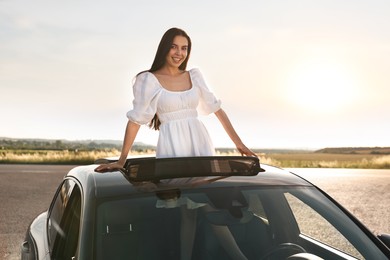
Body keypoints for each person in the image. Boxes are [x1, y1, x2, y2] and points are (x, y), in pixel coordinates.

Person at [95, 27, 256, 173]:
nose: (179, 53)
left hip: (199, 141)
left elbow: (217, 110)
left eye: (184, 48)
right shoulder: (148, 80)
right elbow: (135, 121)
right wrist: (122, 160)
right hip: (171, 144)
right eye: (174, 47)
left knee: (204, 191)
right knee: (175, 194)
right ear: (164, 48)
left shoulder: (194, 76)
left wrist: (240, 144)